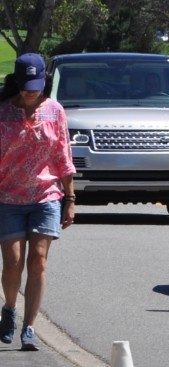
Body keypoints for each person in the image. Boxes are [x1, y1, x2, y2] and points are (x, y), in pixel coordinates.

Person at [0, 53, 76, 351]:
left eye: (37, 83)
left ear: (45, 80)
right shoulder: (3, 112)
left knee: (38, 261)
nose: (31, 90)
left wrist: (69, 199)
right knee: (14, 262)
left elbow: (63, 157)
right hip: (8, 197)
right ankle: (9, 309)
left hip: (47, 196)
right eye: (26, 84)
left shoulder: (55, 111)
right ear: (17, 82)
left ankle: (30, 328)